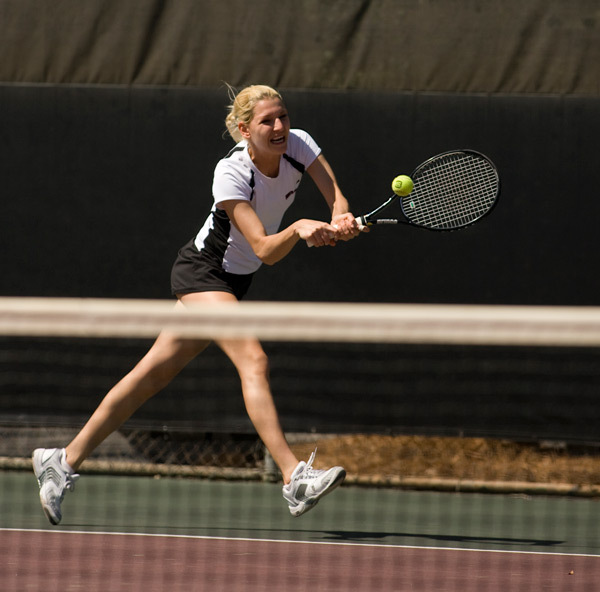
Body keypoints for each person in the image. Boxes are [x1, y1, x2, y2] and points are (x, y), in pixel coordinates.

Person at [33, 84, 363, 525]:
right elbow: (265, 248)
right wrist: (301, 227)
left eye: (282, 116)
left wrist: (339, 216)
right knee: (254, 359)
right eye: (268, 121)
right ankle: (294, 478)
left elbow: (334, 194)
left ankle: (63, 460)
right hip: (203, 272)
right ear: (245, 130)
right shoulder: (231, 173)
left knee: (148, 376)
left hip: (234, 281)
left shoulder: (298, 144)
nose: (280, 126)